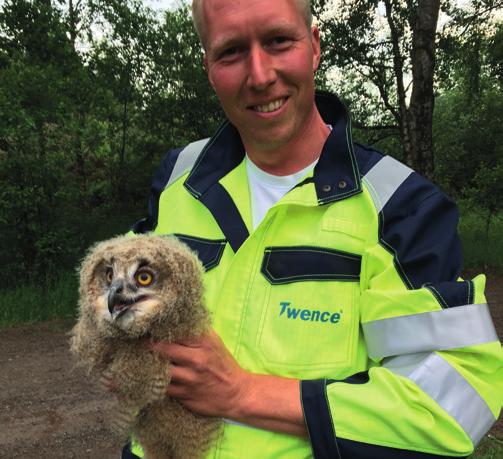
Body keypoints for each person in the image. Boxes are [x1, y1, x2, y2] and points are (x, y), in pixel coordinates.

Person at [124, 0, 502, 457]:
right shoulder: (178, 175)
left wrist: (242, 393)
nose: (260, 75)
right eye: (232, 52)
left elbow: (452, 404)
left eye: (279, 41)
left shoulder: (401, 206)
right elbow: (123, 299)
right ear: (208, 68)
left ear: (315, 46)